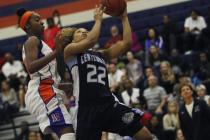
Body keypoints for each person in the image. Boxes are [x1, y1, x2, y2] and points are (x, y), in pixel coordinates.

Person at [60, 5, 152, 140]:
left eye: (86, 31)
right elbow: (91, 40)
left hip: (108, 105)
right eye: (79, 32)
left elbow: (126, 43)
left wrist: (124, 18)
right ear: (73, 40)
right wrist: (98, 20)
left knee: (145, 136)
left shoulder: (102, 54)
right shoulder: (69, 52)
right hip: (87, 109)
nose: (84, 33)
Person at [16, 8, 75, 140]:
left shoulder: (42, 44)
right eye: (37, 20)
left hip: (48, 90)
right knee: (67, 132)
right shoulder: (32, 40)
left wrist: (59, 53)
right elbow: (31, 67)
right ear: (27, 25)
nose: (42, 22)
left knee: (68, 132)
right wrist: (56, 52)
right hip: (42, 91)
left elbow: (52, 73)